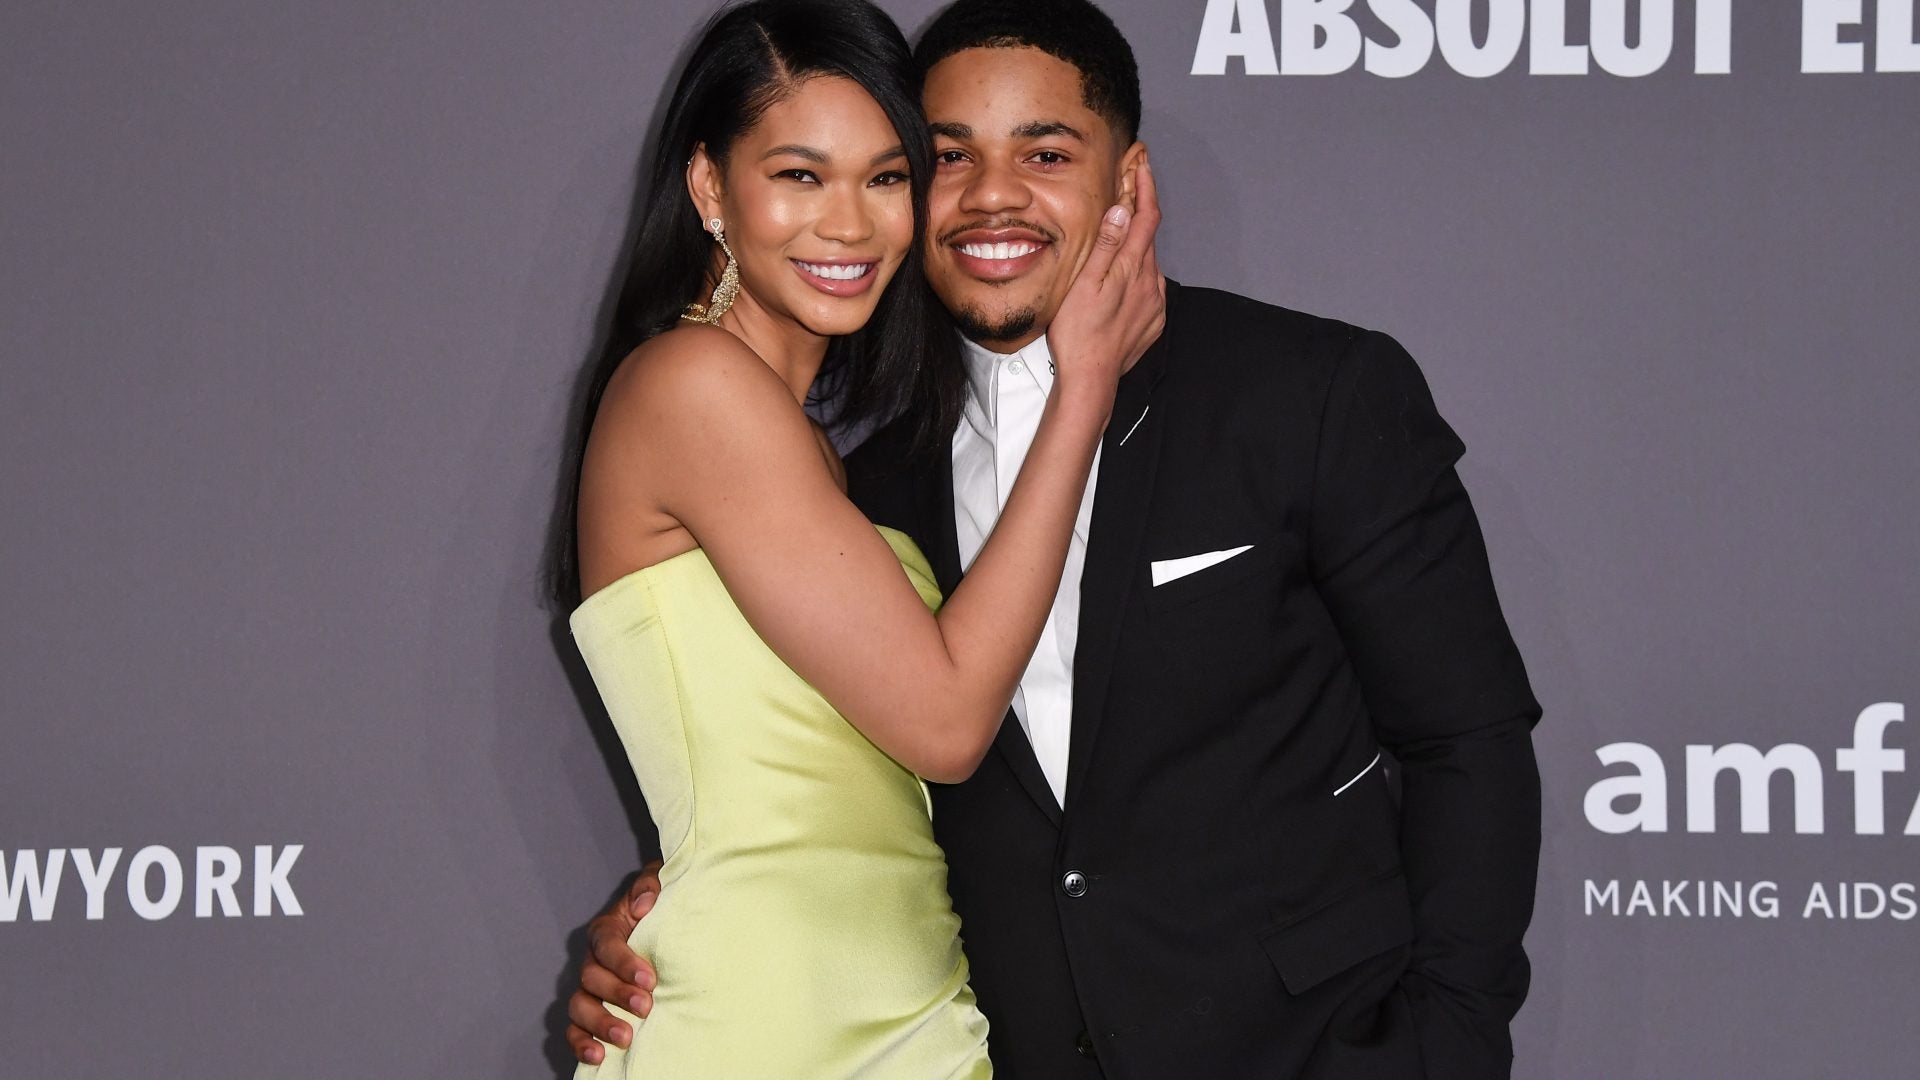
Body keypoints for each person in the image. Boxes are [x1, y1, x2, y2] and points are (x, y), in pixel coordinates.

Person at [567, 0, 1542, 1077]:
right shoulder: (869, 472)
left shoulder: (1306, 395)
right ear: (711, 187)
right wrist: (689, 908)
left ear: (1128, 180)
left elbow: (1468, 740)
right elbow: (887, 749)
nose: (992, 194)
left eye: (1044, 153)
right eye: (948, 157)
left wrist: (1446, 1048)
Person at [552, 0, 1164, 1074]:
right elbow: (945, 721)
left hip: (895, 1009)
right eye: (800, 175)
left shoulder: (824, 453)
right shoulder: (693, 386)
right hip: (774, 1029)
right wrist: (1085, 392)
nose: (849, 224)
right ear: (709, 187)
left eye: (885, 178)